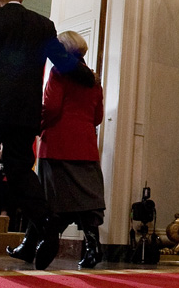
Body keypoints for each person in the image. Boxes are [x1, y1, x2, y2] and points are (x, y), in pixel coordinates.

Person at [0, 0, 95, 268]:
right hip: (25, 113)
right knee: (20, 171)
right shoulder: (44, 25)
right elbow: (63, 62)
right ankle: (47, 222)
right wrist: (88, 77)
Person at [7, 31, 105, 269]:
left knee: (47, 201)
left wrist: (35, 127)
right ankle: (91, 248)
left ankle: (30, 245)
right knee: (88, 201)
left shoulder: (59, 73)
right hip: (86, 148)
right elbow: (98, 117)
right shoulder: (93, 79)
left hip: (58, 145)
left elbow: (50, 108)